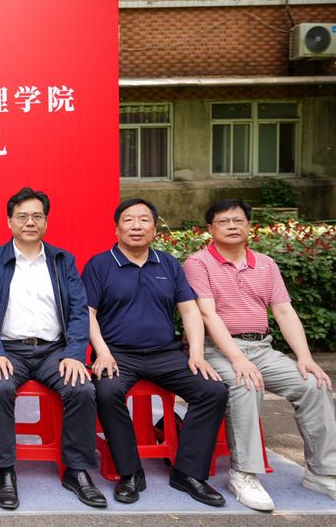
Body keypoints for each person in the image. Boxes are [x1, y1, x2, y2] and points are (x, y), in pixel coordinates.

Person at [183, 199, 336, 511]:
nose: (232, 226)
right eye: (224, 222)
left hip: (262, 348)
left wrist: (305, 357)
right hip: (218, 350)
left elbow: (283, 311)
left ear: (249, 226)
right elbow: (207, 314)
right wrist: (237, 358)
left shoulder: (266, 264)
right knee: (245, 384)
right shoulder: (198, 263)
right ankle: (244, 474)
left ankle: (324, 473)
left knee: (314, 384)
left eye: (238, 221)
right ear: (210, 229)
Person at [82, 198, 228, 507]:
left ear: (154, 228)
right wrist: (101, 352)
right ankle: (130, 473)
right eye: (128, 220)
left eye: (144, 220)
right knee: (107, 392)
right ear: (117, 228)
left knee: (212, 390)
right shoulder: (100, 264)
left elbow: (189, 311)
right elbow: (87, 313)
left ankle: (188, 473)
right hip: (117, 354)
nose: (136, 226)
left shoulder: (168, 264)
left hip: (165, 354)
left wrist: (196, 353)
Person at [0, 187, 106, 510]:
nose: (30, 223)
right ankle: (5, 471)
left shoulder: (62, 260)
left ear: (46, 221)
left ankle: (76, 471)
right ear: (9, 222)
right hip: (8, 350)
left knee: (81, 389)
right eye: (22, 217)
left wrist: (74, 354)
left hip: (53, 351)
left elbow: (79, 311)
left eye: (37, 216)